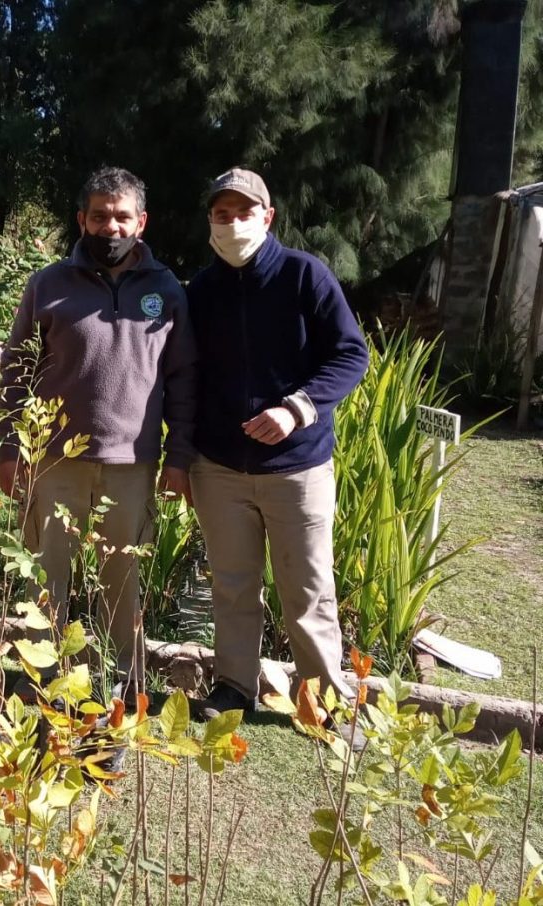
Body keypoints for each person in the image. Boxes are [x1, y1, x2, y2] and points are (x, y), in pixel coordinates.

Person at [0, 167, 196, 696]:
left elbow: (182, 380)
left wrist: (178, 456)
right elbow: (16, 368)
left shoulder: (166, 290)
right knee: (46, 580)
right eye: (101, 216)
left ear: (141, 222)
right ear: (82, 219)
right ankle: (42, 681)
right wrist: (10, 446)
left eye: (122, 217)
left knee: (122, 583)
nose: (112, 227)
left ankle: (125, 683)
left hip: (132, 463)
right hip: (54, 460)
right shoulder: (47, 285)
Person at [186, 167, 369, 720]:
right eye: (222, 214)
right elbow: (187, 376)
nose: (232, 223)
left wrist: (297, 408)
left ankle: (323, 699)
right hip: (220, 469)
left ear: (267, 217)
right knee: (232, 586)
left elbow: (351, 353)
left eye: (244, 212)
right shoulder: (201, 291)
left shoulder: (304, 275)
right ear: (210, 221)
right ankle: (234, 687)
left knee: (308, 589)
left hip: (297, 468)